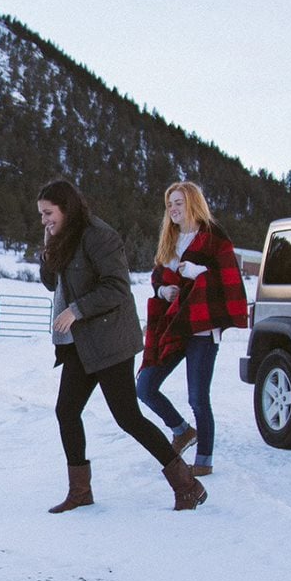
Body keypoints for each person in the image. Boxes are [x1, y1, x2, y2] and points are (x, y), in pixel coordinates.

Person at [37, 179, 207, 512]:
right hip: (79, 344)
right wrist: (47, 248)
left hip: (109, 340)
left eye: (48, 213)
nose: (44, 220)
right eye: (41, 215)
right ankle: (80, 491)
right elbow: (49, 282)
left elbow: (116, 287)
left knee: (128, 417)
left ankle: (187, 484)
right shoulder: (63, 237)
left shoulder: (99, 236)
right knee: (67, 411)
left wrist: (77, 309)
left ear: (66, 208)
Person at [137, 181, 248, 476]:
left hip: (202, 329)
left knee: (198, 398)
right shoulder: (170, 240)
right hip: (173, 327)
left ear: (193, 204)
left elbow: (230, 281)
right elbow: (157, 278)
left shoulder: (213, 237)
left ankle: (204, 461)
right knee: (145, 387)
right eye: (170, 204)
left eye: (179, 203)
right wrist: (164, 292)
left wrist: (198, 273)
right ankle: (182, 430)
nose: (173, 209)